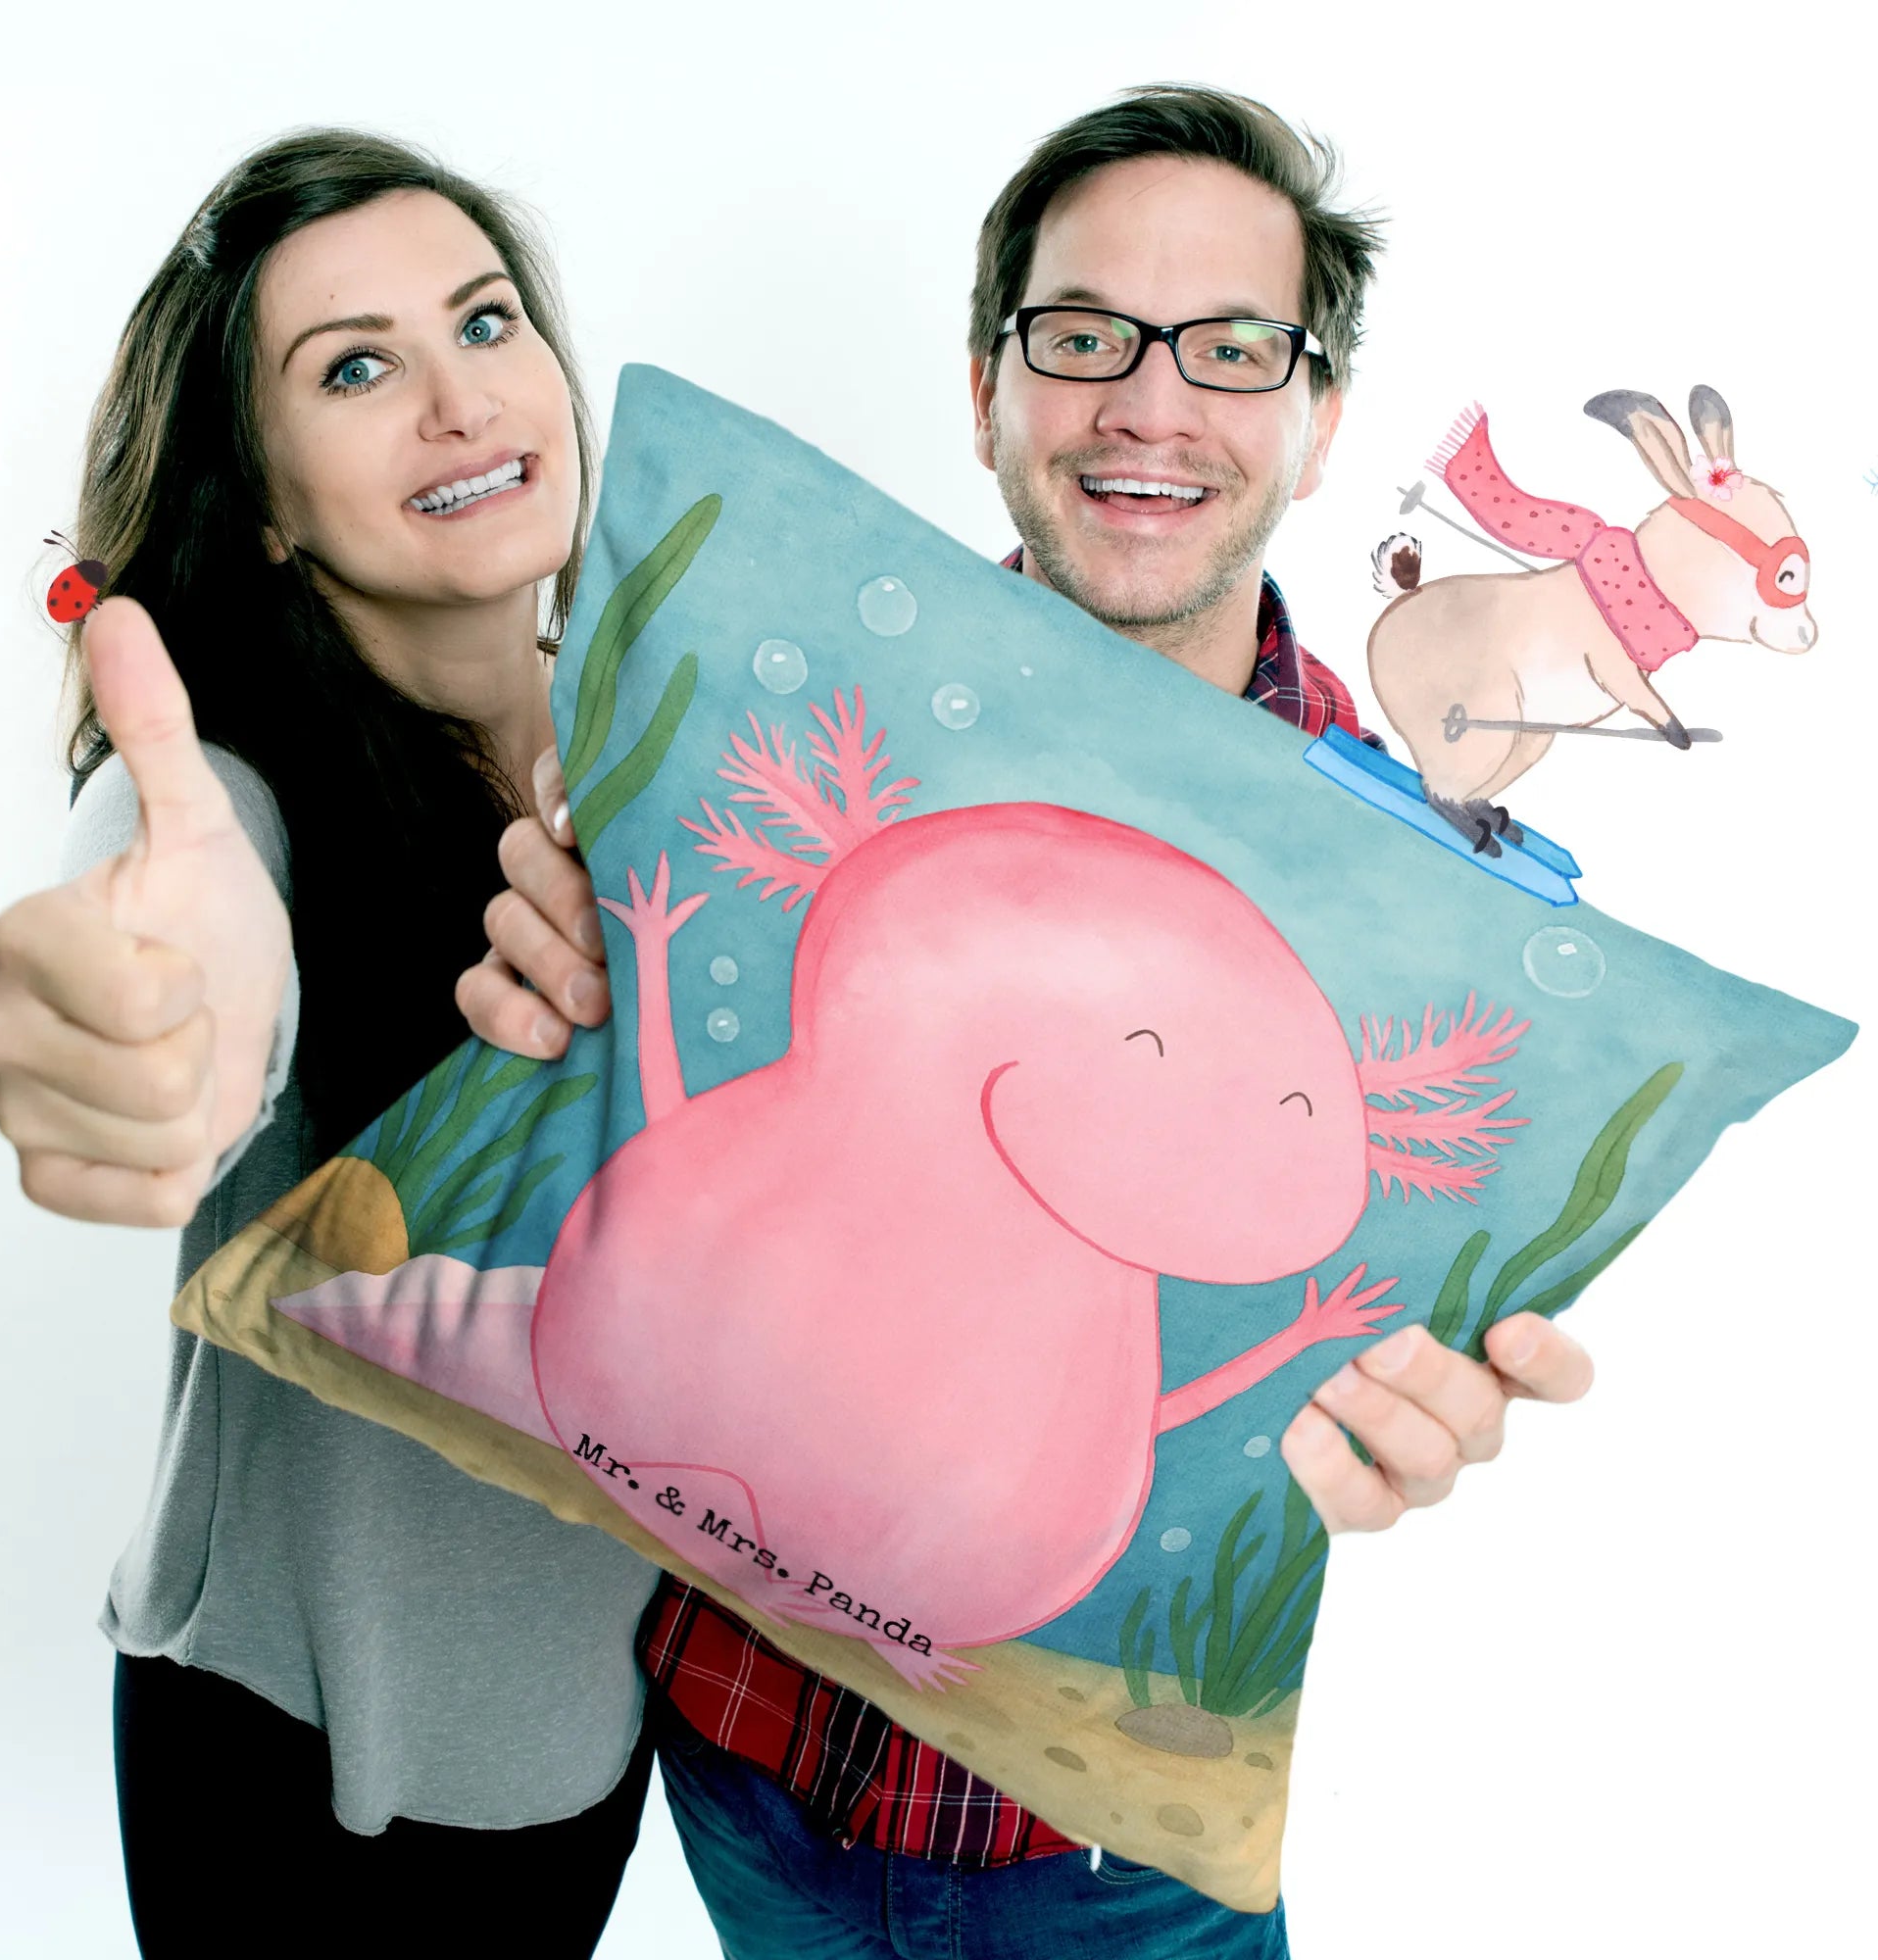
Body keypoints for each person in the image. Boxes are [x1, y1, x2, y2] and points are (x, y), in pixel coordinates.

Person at [461, 85, 1598, 1958]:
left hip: (1113, 1859)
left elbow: (1348, 1343)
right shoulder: (763, 732)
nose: (1151, 404)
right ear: (987, 388)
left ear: (1318, 424)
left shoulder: (1422, 907)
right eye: (1084, 337)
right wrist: (552, 990)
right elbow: (631, 1166)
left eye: (1234, 348)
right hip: (737, 1764)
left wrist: (1420, 1403)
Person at [0, 132, 653, 1956]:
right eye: (354, 368)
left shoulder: (661, 754)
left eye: (484, 323)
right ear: (264, 502)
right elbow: (177, 912)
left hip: (590, 1732)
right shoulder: (231, 792)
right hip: (301, 1763)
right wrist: (146, 1009)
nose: (458, 400)